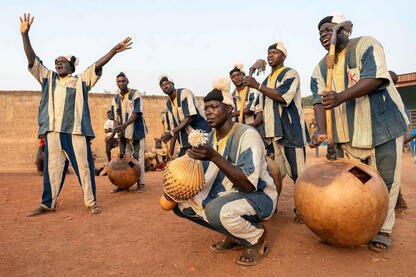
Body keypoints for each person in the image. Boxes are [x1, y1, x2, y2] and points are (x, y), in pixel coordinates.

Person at [309, 13, 409, 251]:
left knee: (385, 182)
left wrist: (341, 96)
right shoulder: (320, 69)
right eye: (320, 32)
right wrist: (323, 133)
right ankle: (359, 224)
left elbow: (374, 79)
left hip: (382, 128)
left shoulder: (367, 44)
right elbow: (318, 101)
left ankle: (383, 230)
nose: (324, 35)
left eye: (329, 29)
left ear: (345, 29)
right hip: (349, 138)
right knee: (359, 182)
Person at [21, 13, 133, 216]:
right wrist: (25, 35)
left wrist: (114, 51)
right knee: (52, 170)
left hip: (76, 132)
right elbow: (32, 60)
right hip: (53, 133)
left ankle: (90, 202)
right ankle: (48, 203)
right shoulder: (48, 78)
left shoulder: (81, 80)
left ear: (72, 66)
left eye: (62, 61)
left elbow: (97, 66)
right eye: (56, 61)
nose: (58, 63)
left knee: (84, 168)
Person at [173, 77, 278, 266]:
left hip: (259, 197)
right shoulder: (209, 138)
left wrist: (214, 156)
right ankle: (234, 235)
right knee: (180, 203)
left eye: (214, 107)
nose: (208, 113)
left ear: (229, 109)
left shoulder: (247, 135)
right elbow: (201, 179)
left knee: (215, 210)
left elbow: (247, 184)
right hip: (226, 195)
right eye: (206, 109)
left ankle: (257, 236)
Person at [244, 40, 309, 223]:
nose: (270, 55)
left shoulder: (290, 73)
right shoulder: (266, 81)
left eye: (275, 52)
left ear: (283, 56)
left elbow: (282, 97)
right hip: (272, 137)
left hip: (291, 133)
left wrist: (256, 86)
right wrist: (252, 127)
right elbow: (260, 110)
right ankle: (268, 206)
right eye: (269, 52)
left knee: (299, 176)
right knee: (272, 176)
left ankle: (304, 210)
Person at [107, 72, 147, 193]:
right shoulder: (115, 98)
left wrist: (124, 125)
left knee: (138, 158)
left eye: (123, 81)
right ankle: (124, 184)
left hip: (136, 132)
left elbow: (136, 113)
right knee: (125, 160)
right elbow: (114, 119)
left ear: (127, 81)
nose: (121, 83)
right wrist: (113, 134)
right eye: (119, 81)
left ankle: (141, 184)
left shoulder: (135, 94)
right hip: (122, 135)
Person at [159, 75, 211, 157]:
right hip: (186, 143)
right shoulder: (168, 105)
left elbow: (190, 117)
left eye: (167, 83)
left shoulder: (184, 93)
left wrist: (172, 133)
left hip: (200, 137)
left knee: (202, 166)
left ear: (173, 84)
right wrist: (170, 152)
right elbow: (174, 130)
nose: (165, 86)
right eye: (162, 85)